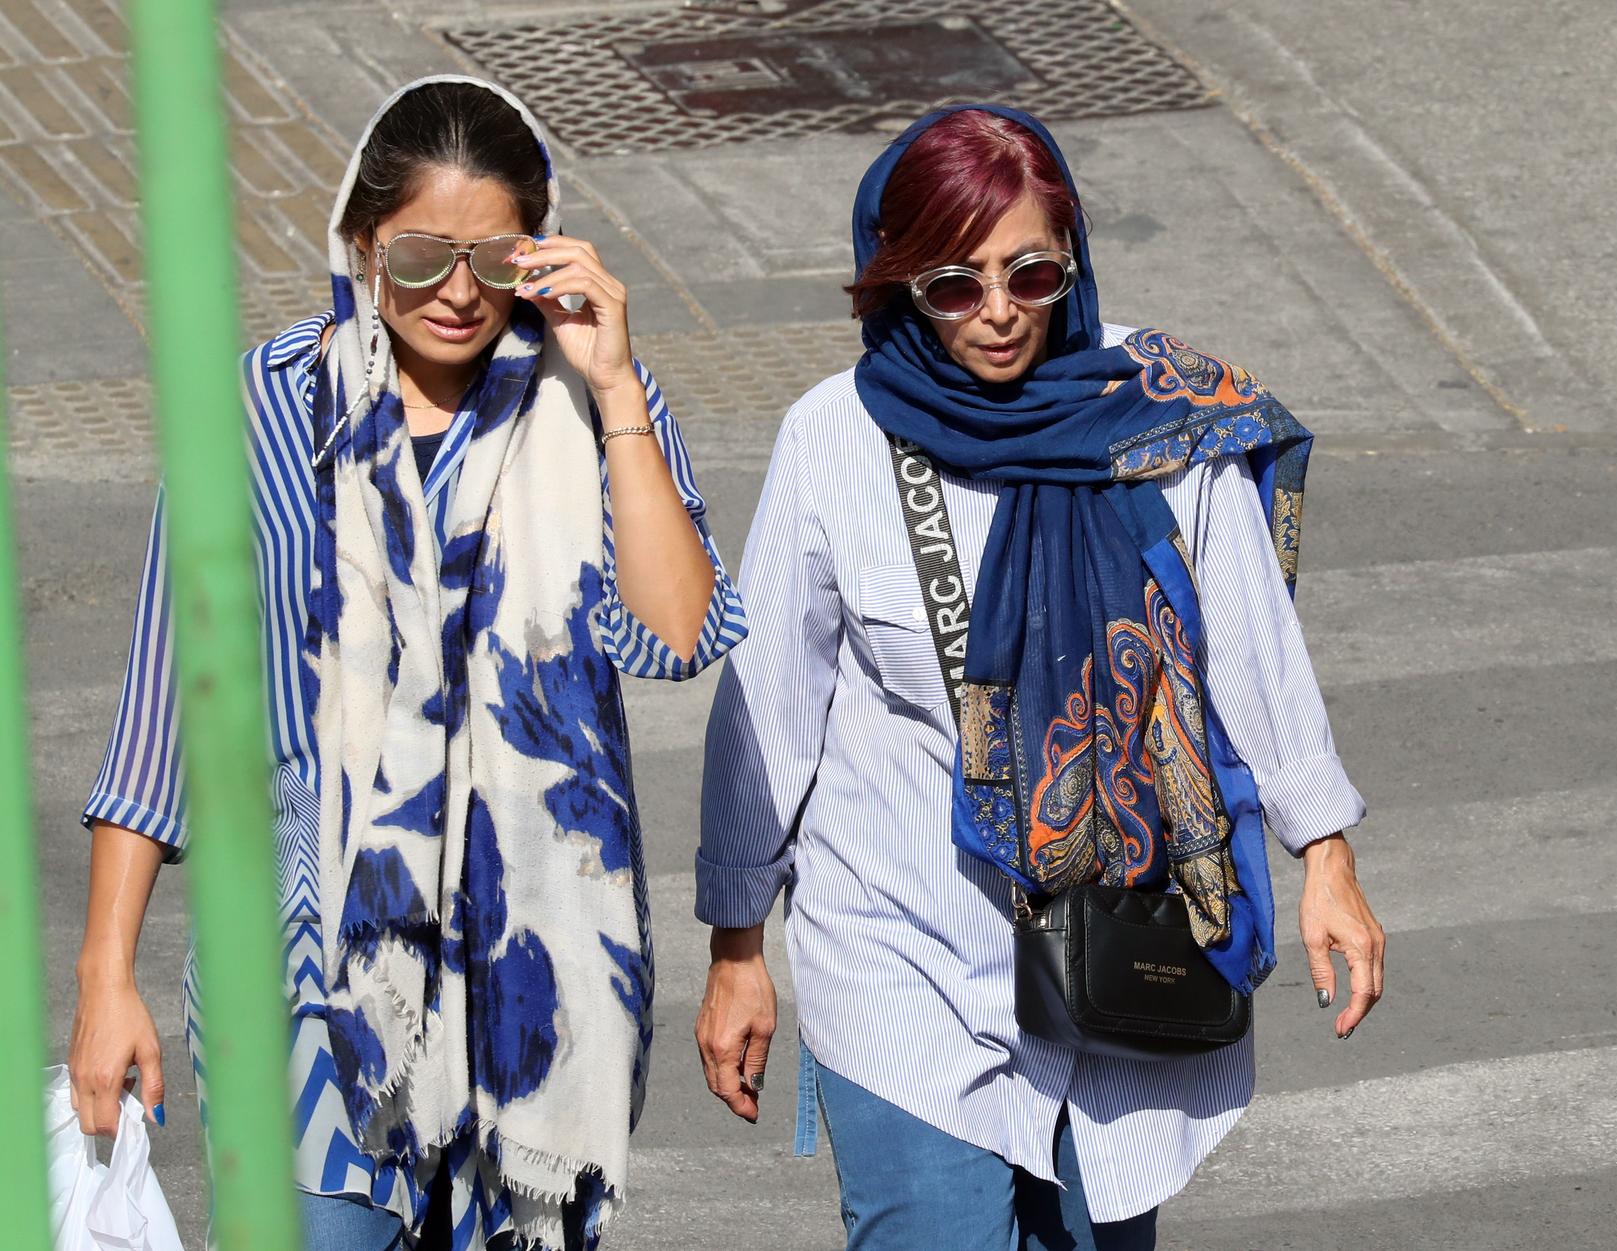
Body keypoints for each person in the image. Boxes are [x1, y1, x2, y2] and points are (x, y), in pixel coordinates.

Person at [67, 76, 745, 1251]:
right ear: (363, 243)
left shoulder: (586, 406)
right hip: (302, 967)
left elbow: (674, 637)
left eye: (495, 260)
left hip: (535, 988)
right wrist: (103, 978)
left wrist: (620, 385)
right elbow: (161, 711)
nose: (458, 294)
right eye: (423, 256)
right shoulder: (263, 411)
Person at [695, 104, 1386, 1249]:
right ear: (896, 285)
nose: (1001, 312)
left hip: (1120, 936)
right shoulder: (832, 439)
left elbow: (1250, 644)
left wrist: (1325, 853)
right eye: (953, 286)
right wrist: (734, 947)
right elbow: (767, 704)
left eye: (1029, 271)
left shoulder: (1159, 418)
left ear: (1071, 258)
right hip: (900, 940)